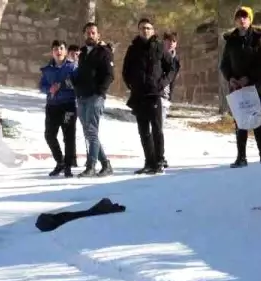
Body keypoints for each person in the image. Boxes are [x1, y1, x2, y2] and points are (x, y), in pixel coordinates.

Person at [220, 6, 261, 167]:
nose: (242, 20)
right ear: (235, 20)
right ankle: (241, 157)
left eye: (245, 17)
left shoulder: (259, 38)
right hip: (237, 88)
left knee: (256, 120)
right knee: (240, 122)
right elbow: (225, 64)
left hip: (255, 86)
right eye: (239, 17)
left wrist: (248, 77)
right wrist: (230, 78)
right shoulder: (231, 40)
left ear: (250, 20)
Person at [122, 18, 166, 175]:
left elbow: (171, 67)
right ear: (138, 30)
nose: (145, 30)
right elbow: (125, 70)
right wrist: (131, 84)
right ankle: (149, 161)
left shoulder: (160, 47)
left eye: (148, 28)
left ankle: (159, 161)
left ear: (153, 30)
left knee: (157, 129)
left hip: (154, 93)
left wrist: (162, 83)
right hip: (138, 95)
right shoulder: (133, 49)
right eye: (142, 28)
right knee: (143, 130)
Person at [74, 22, 115, 178]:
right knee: (89, 133)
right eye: (88, 33)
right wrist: (76, 87)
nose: (90, 35)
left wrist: (100, 92)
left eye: (93, 33)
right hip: (82, 96)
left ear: (98, 35)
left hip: (95, 97)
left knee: (91, 131)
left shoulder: (104, 52)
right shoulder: (83, 53)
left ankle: (91, 166)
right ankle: (106, 164)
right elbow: (82, 74)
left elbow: (110, 75)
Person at [39, 40, 78, 178]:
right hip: (52, 106)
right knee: (49, 135)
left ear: (66, 51)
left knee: (68, 136)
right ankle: (59, 161)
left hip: (68, 106)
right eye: (55, 48)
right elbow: (41, 86)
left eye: (61, 48)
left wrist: (63, 85)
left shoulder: (72, 67)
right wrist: (49, 89)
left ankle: (68, 166)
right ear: (52, 52)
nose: (58, 51)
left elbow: (77, 84)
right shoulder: (47, 69)